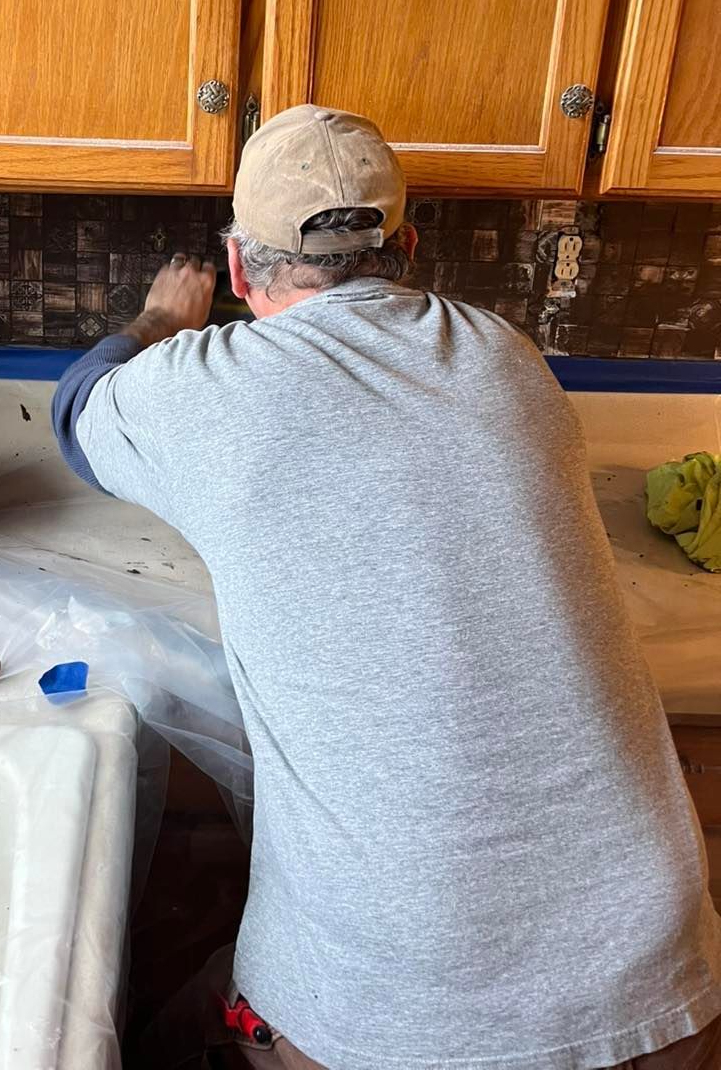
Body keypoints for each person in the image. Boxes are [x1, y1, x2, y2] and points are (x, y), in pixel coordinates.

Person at [51, 104, 721, 1070]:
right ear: (407, 244)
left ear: (239, 270)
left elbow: (76, 412)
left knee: (167, 1030)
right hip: (653, 972)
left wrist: (161, 320)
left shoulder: (204, 389)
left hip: (402, 996)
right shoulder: (507, 358)